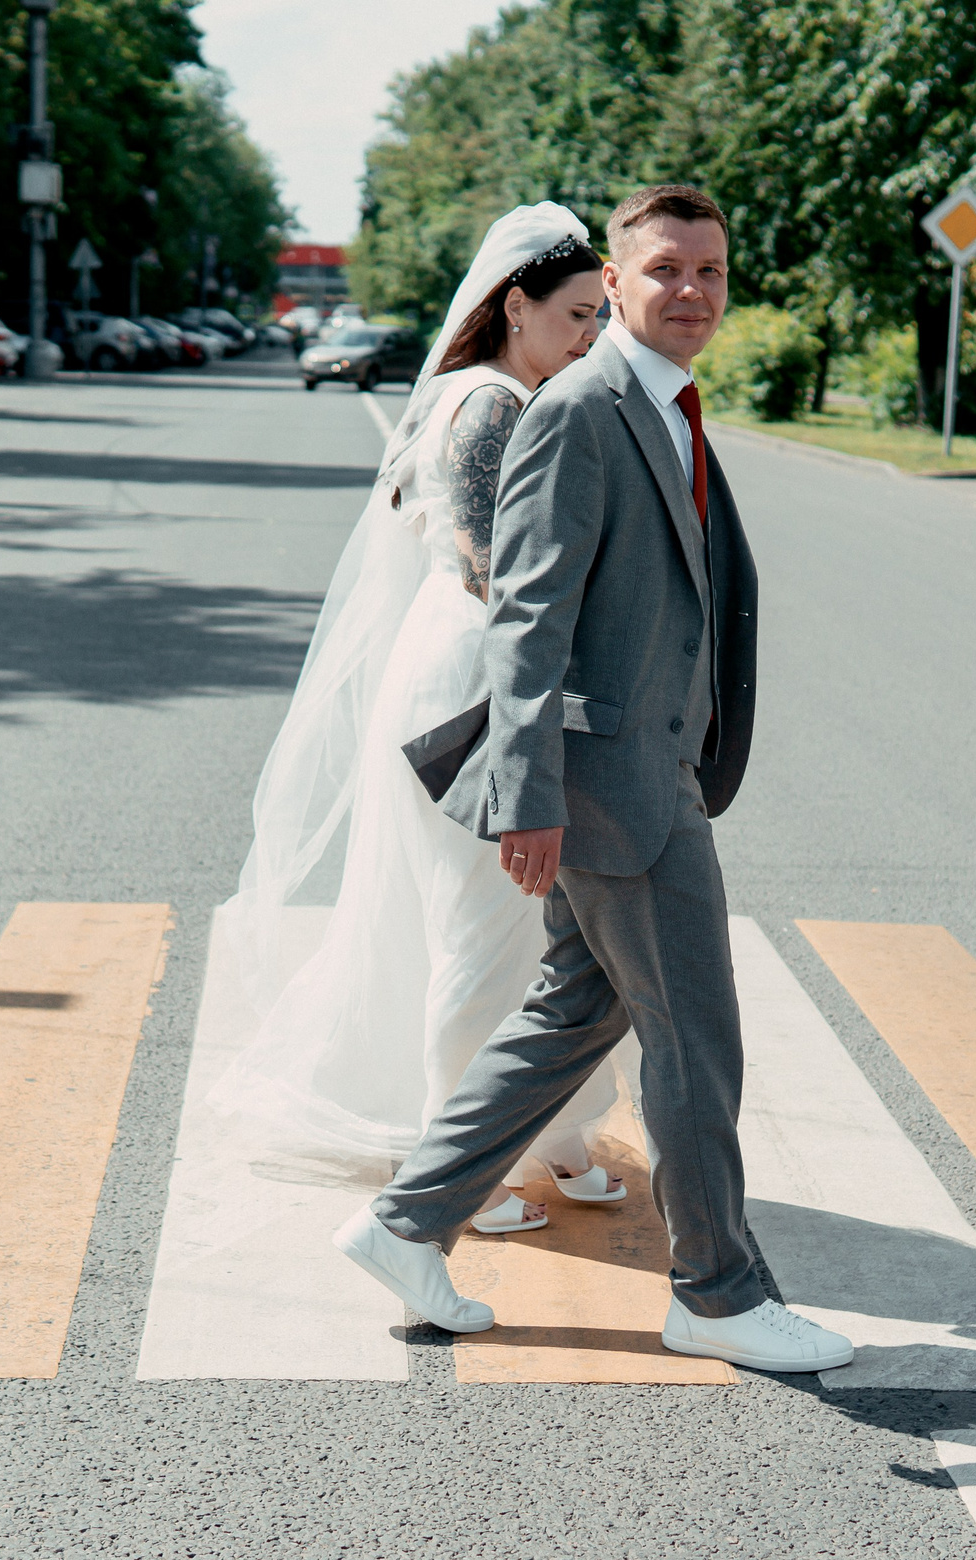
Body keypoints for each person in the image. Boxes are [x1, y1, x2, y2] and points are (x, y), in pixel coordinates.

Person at [332, 184, 856, 1375]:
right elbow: (525, 613)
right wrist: (528, 794)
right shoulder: (579, 408)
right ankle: (715, 1292)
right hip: (615, 777)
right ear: (611, 285)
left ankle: (403, 1222)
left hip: (646, 759)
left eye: (712, 272)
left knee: (577, 1013)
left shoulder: (662, 402)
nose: (692, 292)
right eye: (665, 270)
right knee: (696, 1039)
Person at [214, 203, 632, 1235]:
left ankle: (555, 1136)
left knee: (549, 929)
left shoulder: (475, 393)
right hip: (476, 686)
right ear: (514, 304)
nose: (591, 336)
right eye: (577, 314)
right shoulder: (488, 408)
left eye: (599, 318)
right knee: (492, 929)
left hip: (457, 671)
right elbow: (498, 573)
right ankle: (464, 1168)